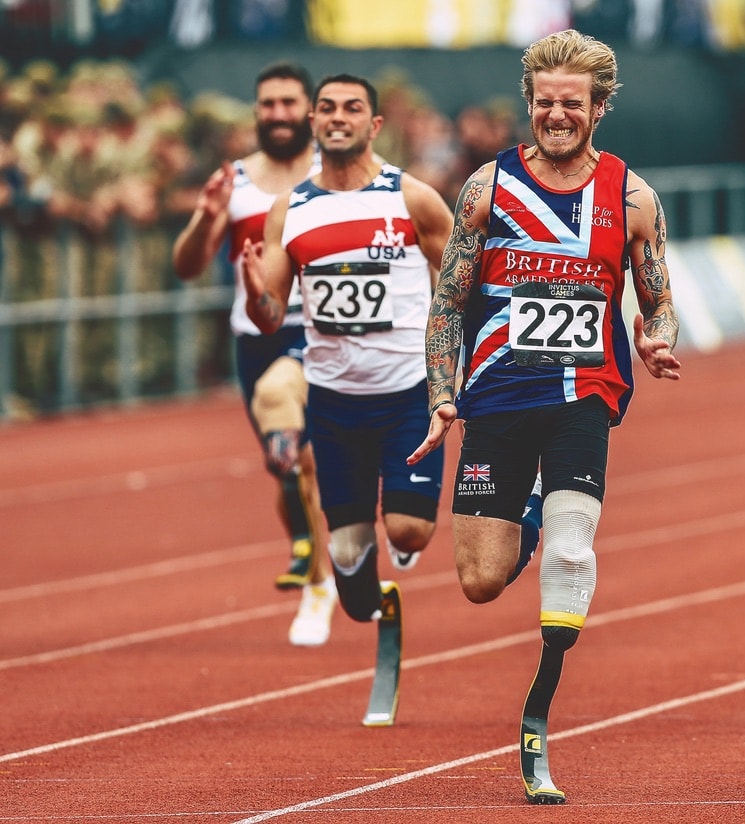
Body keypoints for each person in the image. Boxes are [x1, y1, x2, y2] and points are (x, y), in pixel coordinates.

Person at [407, 29, 681, 803]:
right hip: (497, 399)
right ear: (528, 103)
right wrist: (441, 392)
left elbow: (659, 302)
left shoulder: (632, 199)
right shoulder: (487, 190)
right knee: (480, 581)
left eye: (572, 105)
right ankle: (524, 511)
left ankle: (537, 723)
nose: (557, 116)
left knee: (569, 556)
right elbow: (447, 306)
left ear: (600, 108)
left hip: (581, 400)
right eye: (544, 103)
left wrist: (656, 340)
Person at [240, 73, 456, 641]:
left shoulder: (411, 198)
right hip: (334, 403)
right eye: (327, 108)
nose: (338, 117)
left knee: (409, 531)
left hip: (407, 393)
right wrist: (250, 291)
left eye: (352, 108)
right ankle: (357, 581)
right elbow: (269, 316)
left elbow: (461, 282)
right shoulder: (291, 210)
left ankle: (401, 535)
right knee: (356, 588)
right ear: (313, 122)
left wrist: (451, 369)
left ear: (373, 124)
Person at [172, 61, 336, 647]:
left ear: (311, 112)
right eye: (268, 104)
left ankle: (322, 576)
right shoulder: (234, 181)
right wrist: (205, 218)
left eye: (290, 103)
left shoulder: (334, 175)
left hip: (325, 333)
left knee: (309, 454)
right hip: (256, 337)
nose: (279, 114)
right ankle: (320, 572)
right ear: (256, 112)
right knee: (287, 461)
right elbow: (188, 267)